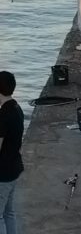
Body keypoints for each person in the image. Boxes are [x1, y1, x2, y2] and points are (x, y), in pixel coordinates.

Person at [0, 71, 24, 234]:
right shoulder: (16, 108)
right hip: (14, 166)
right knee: (9, 212)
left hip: (2, 172)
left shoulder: (3, 115)